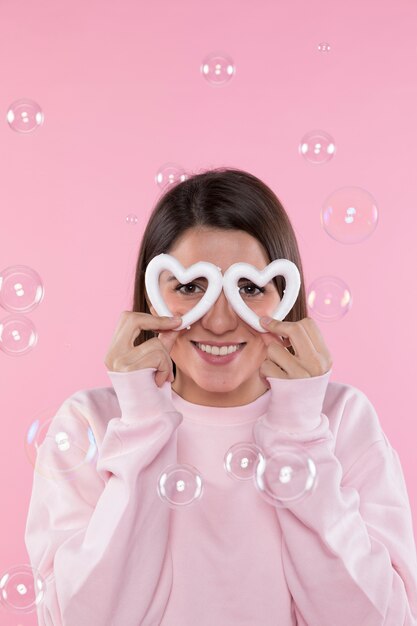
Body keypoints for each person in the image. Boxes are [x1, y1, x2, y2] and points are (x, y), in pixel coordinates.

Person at [25, 168, 417, 626]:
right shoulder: (90, 423)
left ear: (285, 295)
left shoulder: (341, 419)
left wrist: (299, 429)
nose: (218, 321)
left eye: (250, 288)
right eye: (190, 287)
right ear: (153, 296)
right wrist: (142, 420)